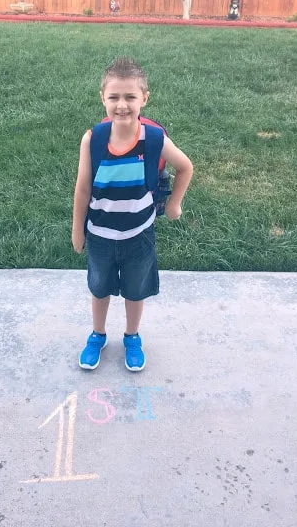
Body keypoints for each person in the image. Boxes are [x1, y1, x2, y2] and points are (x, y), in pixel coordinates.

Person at [72, 58, 193, 371]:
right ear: (103, 97)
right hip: (100, 234)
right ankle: (98, 335)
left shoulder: (153, 139)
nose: (122, 105)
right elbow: (82, 189)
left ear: (144, 98)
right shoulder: (93, 139)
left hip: (139, 235)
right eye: (114, 97)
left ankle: (132, 336)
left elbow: (185, 167)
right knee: (99, 288)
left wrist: (174, 204)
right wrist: (77, 230)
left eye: (130, 97)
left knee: (135, 291)